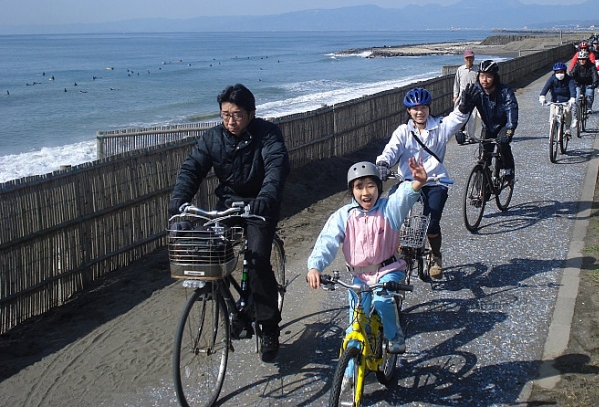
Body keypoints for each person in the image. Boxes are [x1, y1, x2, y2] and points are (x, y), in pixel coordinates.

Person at [168, 83, 290, 363]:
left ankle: (269, 326)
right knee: (210, 252)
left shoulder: (267, 134)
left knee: (257, 259)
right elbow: (193, 167)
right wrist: (179, 198)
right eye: (225, 115)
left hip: (260, 205)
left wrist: (267, 196)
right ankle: (232, 309)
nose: (230, 121)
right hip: (229, 204)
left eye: (236, 115)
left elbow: (276, 165)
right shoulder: (213, 138)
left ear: (251, 113)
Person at [307, 158, 428, 357]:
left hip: (388, 269)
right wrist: (315, 267)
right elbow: (327, 241)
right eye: (359, 187)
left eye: (371, 186)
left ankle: (393, 334)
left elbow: (402, 198)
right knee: (355, 324)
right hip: (359, 277)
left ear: (379, 188)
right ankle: (348, 375)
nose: (365, 192)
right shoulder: (344, 215)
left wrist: (417, 184)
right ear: (351, 191)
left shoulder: (389, 209)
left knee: (382, 300)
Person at [375, 87, 470, 279]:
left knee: (431, 222)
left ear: (429, 108)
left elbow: (456, 119)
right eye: (415, 108)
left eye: (424, 107)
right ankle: (395, 249)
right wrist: (383, 163)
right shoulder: (403, 131)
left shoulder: (440, 126)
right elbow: (391, 150)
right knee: (392, 216)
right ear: (408, 111)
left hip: (435, 181)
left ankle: (435, 256)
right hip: (408, 181)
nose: (420, 112)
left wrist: (463, 107)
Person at [458, 59, 519, 183]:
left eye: (488, 76)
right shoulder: (476, 90)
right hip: (488, 127)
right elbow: (466, 112)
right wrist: (461, 124)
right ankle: (483, 185)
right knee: (483, 157)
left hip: (504, 126)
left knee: (503, 144)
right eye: (481, 76)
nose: (484, 80)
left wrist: (510, 129)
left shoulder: (505, 91)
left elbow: (511, 108)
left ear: (495, 77)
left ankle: (508, 170)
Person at [539, 61, 577, 131]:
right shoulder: (552, 79)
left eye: (561, 72)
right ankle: (552, 130)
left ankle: (568, 128)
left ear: (565, 72)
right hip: (554, 101)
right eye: (557, 72)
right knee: (552, 114)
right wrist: (542, 96)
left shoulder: (569, 79)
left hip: (566, 101)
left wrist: (572, 98)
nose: (560, 74)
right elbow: (546, 88)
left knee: (568, 111)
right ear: (555, 72)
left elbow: (572, 89)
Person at [453, 49, 479, 139]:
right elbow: (456, 83)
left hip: (475, 96)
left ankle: (472, 136)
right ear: (464, 59)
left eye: (471, 58)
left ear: (473, 58)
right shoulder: (460, 69)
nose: (469, 59)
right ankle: (461, 135)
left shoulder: (477, 70)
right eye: (467, 58)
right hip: (462, 96)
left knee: (473, 117)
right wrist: (455, 96)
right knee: (461, 116)